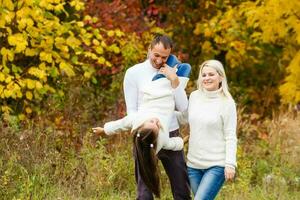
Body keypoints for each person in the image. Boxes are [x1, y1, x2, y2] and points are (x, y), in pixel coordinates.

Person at [92, 50, 191, 198]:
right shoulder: (134, 73)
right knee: (145, 187)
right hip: (148, 142)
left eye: (152, 122)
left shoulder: (137, 120)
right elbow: (173, 143)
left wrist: (104, 129)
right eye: (157, 125)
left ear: (141, 126)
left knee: (181, 186)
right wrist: (181, 142)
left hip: (157, 131)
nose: (156, 121)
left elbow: (121, 123)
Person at [123, 34, 191, 200]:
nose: (160, 60)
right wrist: (144, 126)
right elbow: (131, 110)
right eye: (156, 55)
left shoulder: (174, 71)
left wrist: (174, 80)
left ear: (170, 55)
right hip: (146, 134)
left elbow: (183, 108)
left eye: (164, 57)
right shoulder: (133, 73)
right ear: (149, 50)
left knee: (182, 189)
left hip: (171, 131)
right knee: (145, 192)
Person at [177, 60, 237, 200]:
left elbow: (230, 136)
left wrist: (230, 164)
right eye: (203, 75)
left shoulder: (227, 103)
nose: (207, 78)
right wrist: (158, 113)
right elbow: (183, 118)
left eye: (211, 74)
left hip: (216, 165)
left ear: (220, 77)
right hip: (193, 165)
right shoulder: (194, 96)